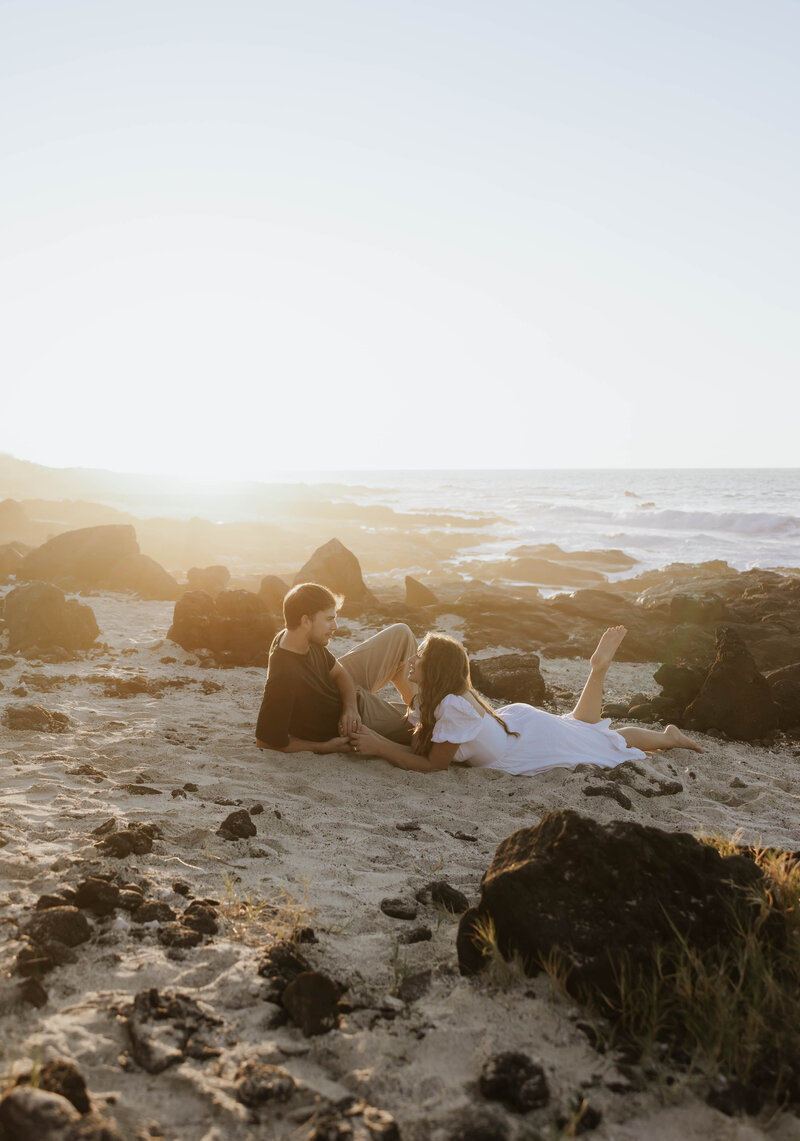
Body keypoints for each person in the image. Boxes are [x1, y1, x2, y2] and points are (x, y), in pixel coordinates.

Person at [350, 625, 703, 774]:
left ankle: (668, 736)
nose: (411, 659)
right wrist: (379, 740)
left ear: (436, 670)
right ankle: (663, 731)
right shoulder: (446, 698)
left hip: (523, 744)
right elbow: (419, 741)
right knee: (592, 731)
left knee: (601, 738)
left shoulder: (453, 707)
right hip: (516, 724)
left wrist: (378, 746)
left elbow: (433, 766)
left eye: (419, 657)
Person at [255, 582, 418, 754]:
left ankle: (424, 705)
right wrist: (323, 747)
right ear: (306, 621)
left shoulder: (296, 636)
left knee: (402, 634)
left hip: (339, 696)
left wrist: (350, 707)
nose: (335, 626)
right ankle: (428, 715)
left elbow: (340, 673)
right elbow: (264, 740)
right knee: (425, 728)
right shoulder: (284, 677)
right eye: (329, 619)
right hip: (349, 713)